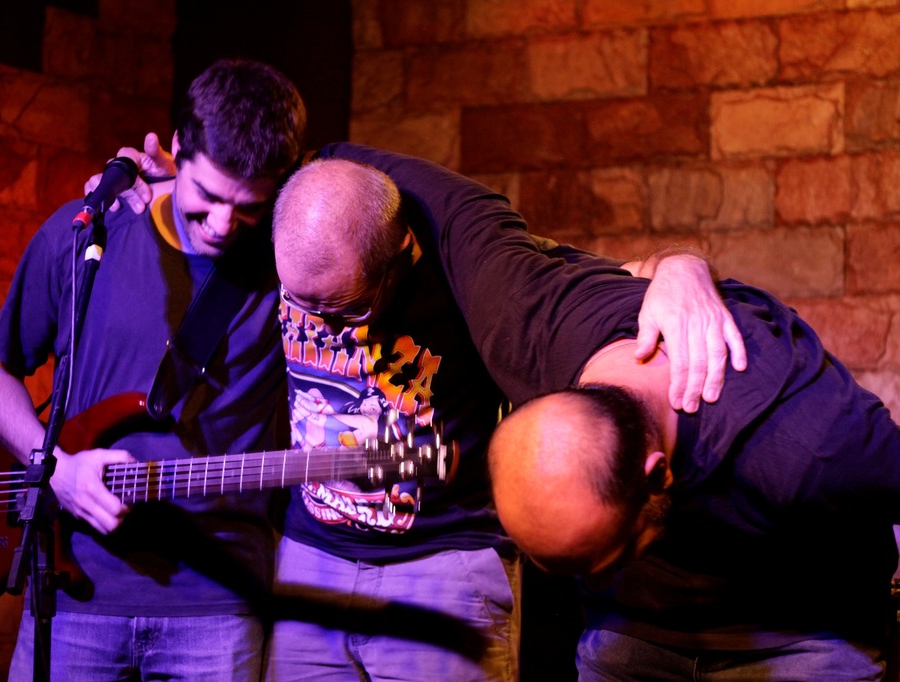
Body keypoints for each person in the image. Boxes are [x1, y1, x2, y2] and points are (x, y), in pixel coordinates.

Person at [113, 139, 745, 680]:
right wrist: (164, 179)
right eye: (303, 305)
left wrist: (681, 267)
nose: (324, 325)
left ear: (397, 259)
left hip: (443, 565)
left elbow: (619, 283)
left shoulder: (479, 269)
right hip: (311, 559)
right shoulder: (287, 227)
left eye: (342, 308)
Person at [360, 144, 900, 678]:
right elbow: (424, 192)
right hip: (633, 631)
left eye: (607, 558)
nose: (589, 581)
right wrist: (678, 263)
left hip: (801, 635)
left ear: (657, 473)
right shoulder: (528, 327)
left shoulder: (811, 448)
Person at [0, 59, 306, 681]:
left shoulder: (293, 266)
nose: (223, 225)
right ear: (177, 148)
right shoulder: (86, 234)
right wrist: (55, 470)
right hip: (73, 595)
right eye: (207, 196)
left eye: (248, 207)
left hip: (220, 607)